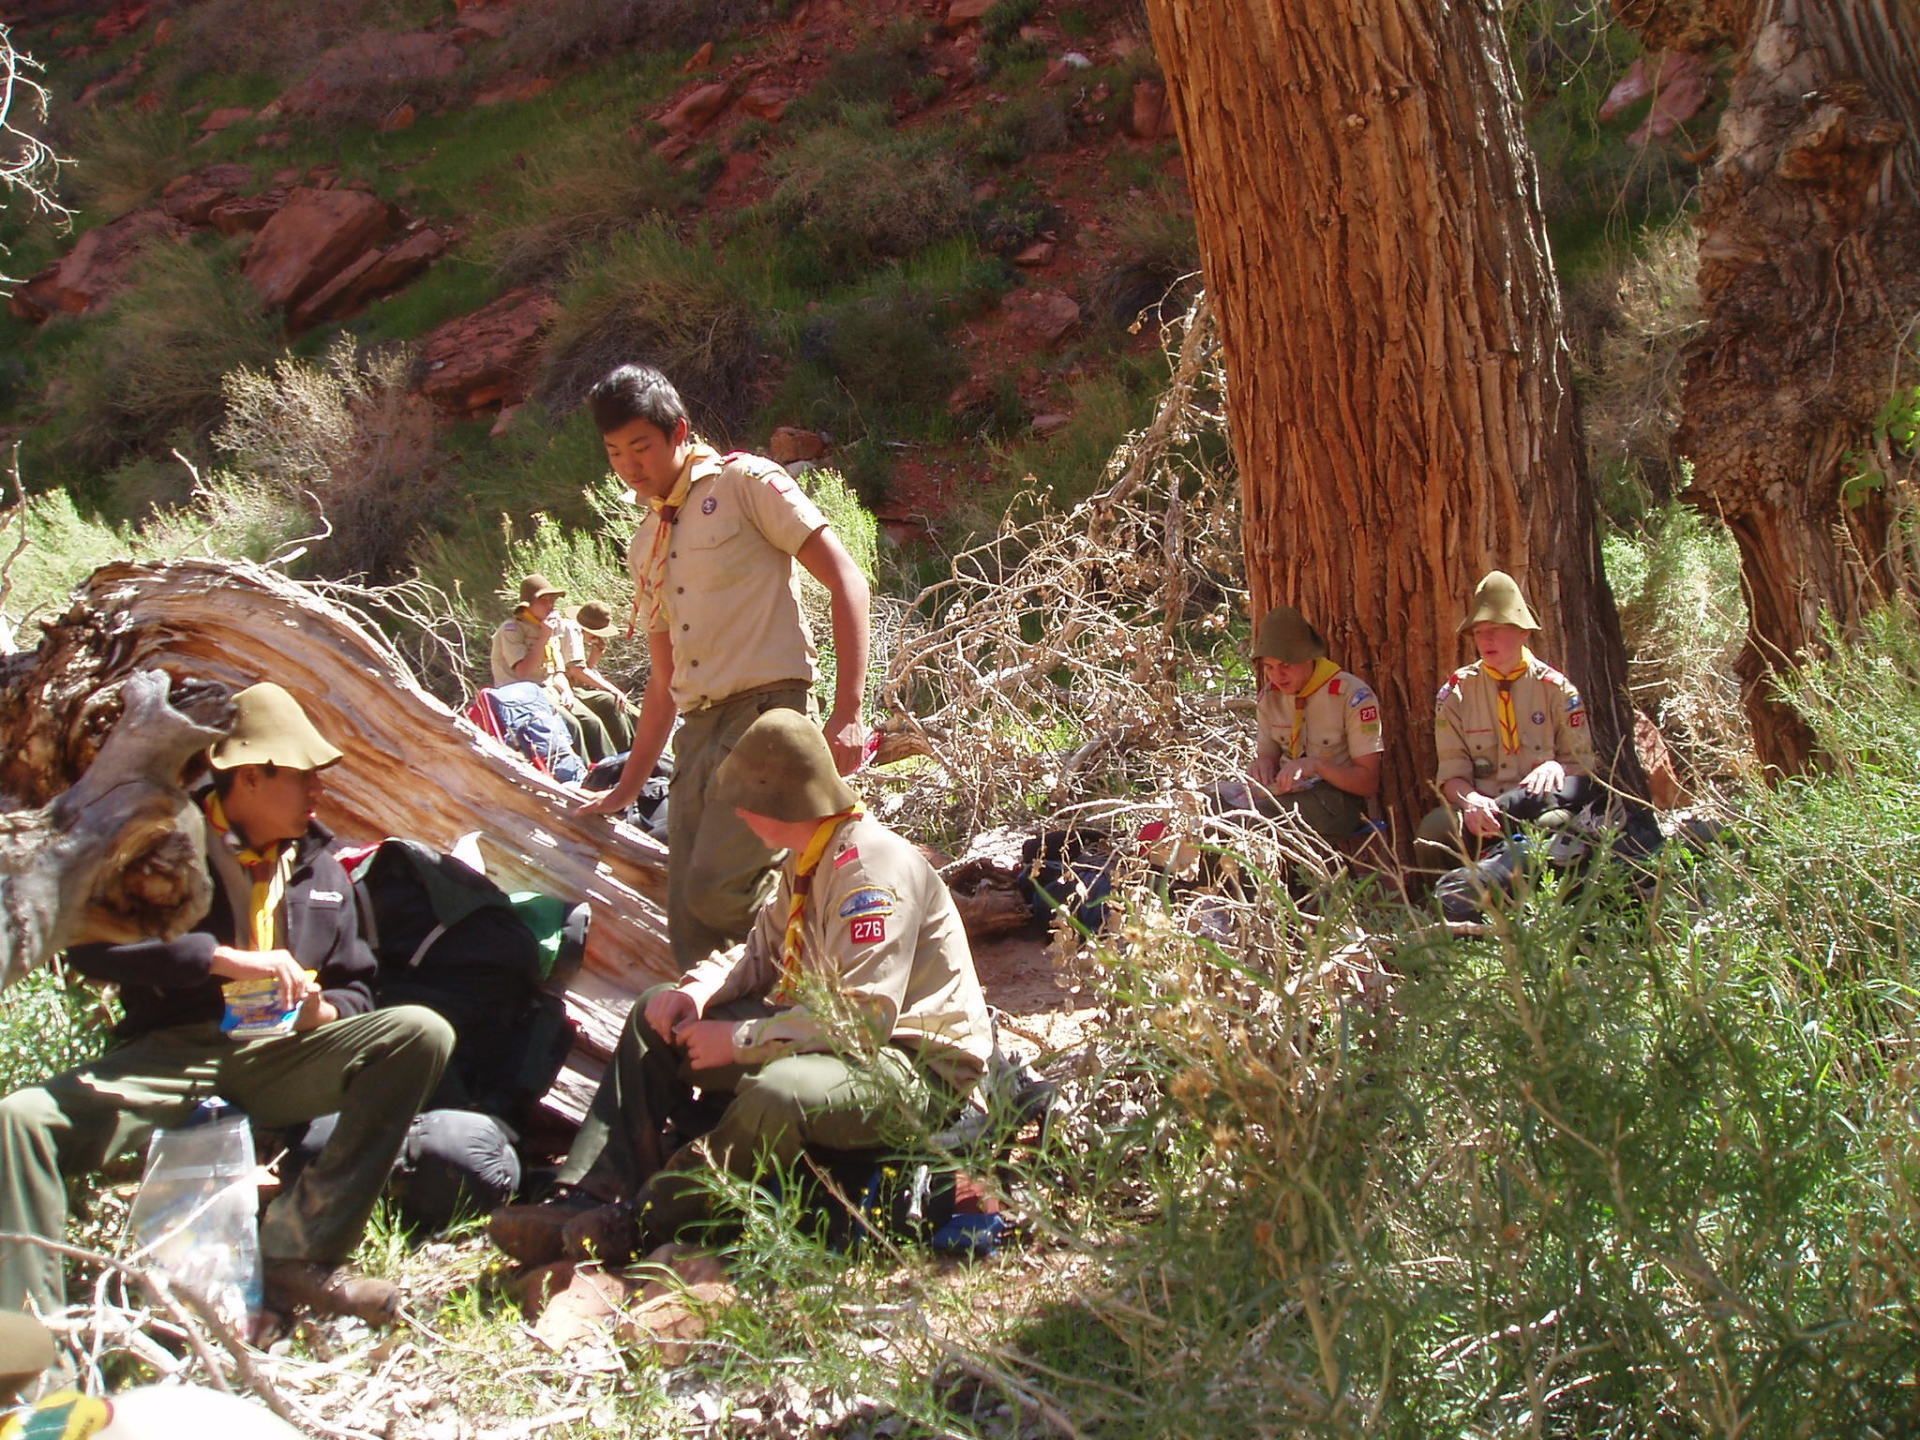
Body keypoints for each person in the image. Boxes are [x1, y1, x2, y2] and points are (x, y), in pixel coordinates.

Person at [0, 684, 453, 1325]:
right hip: (173, 1055)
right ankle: (29, 1337)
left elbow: (358, 986)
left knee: (419, 1032)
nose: (318, 790)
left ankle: (301, 1253)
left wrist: (324, 1013)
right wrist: (219, 959)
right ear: (249, 777)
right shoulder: (163, 841)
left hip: (280, 1054)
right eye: (302, 775)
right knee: (19, 1121)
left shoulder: (323, 869)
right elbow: (93, 951)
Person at [491, 709, 994, 1267]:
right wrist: (697, 992)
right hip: (835, 1040)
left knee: (779, 1092)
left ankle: (647, 1218)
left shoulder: (871, 869)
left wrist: (738, 1042)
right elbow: (759, 954)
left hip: (915, 1068)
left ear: (779, 802)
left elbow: (864, 1020)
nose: (737, 812)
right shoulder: (810, 859)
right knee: (656, 1014)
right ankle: (588, 1192)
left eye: (745, 800)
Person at [575, 364, 872, 979]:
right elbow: (664, 679)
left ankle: (843, 972)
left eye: (641, 446)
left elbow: (848, 579)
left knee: (721, 889)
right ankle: (743, 1023)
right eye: (614, 452)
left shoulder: (745, 483)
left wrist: (848, 711)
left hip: (767, 719)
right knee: (688, 916)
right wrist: (628, 786)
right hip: (698, 734)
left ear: (679, 432)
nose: (629, 466)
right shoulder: (647, 542)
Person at [1416, 570, 1597, 863]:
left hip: (1540, 806)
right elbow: (1451, 775)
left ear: (1523, 632)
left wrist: (1557, 767)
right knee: (1435, 830)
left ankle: (1548, 894)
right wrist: (1472, 802)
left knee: (1554, 828)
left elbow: (1583, 768)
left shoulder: (1555, 690)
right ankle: (1450, 893)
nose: (1486, 639)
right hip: (1484, 809)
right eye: (1478, 631)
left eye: (1496, 628)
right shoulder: (1457, 694)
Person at [1216, 605, 1383, 841]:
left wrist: (1316, 766)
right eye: (1269, 667)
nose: (1277, 676)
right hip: (1283, 793)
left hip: (1337, 801)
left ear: (1308, 657)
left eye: (1286, 666)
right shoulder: (1271, 698)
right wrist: (1263, 764)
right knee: (1206, 803)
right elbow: (1268, 755)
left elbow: (1368, 782)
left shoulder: (1351, 696)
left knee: (1248, 820)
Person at [489, 575, 616, 764]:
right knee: (572, 726)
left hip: (549, 690)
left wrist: (566, 691)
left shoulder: (546, 628)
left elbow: (556, 671)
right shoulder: (512, 630)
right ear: (528, 604)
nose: (551, 605)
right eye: (544, 600)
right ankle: (583, 773)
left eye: (552, 600)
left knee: (592, 722)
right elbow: (523, 672)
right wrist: (543, 638)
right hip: (522, 696)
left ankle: (612, 766)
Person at [557, 600, 636, 755]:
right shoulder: (572, 629)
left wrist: (595, 655)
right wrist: (613, 690)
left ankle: (631, 750)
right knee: (611, 701)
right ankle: (624, 752)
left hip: (571, 686)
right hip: (562, 686)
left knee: (626, 708)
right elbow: (577, 671)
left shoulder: (575, 634)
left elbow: (581, 671)